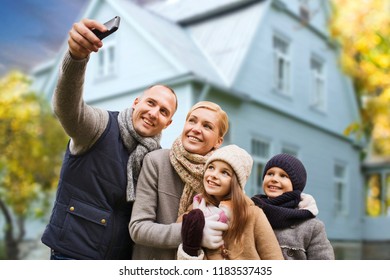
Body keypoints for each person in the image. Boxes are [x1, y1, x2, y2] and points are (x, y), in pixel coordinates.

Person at [41, 18, 178, 260]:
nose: (154, 113)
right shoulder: (100, 126)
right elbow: (67, 108)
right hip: (72, 254)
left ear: (168, 123)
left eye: (164, 111)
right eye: (150, 103)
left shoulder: (156, 159)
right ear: (136, 102)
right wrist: (76, 57)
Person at [129, 101, 230, 259]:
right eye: (192, 121)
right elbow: (138, 228)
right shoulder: (156, 162)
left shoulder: (222, 179)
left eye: (207, 126)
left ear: (218, 141)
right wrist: (192, 232)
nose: (196, 129)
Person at [177, 145, 284, 260]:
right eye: (211, 167)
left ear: (236, 183)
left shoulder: (253, 214)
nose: (213, 175)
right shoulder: (190, 216)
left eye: (225, 172)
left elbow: (274, 259)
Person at [251, 153, 335, 260]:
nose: (274, 179)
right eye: (270, 173)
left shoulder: (312, 227)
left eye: (283, 176)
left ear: (296, 184)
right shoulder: (249, 214)